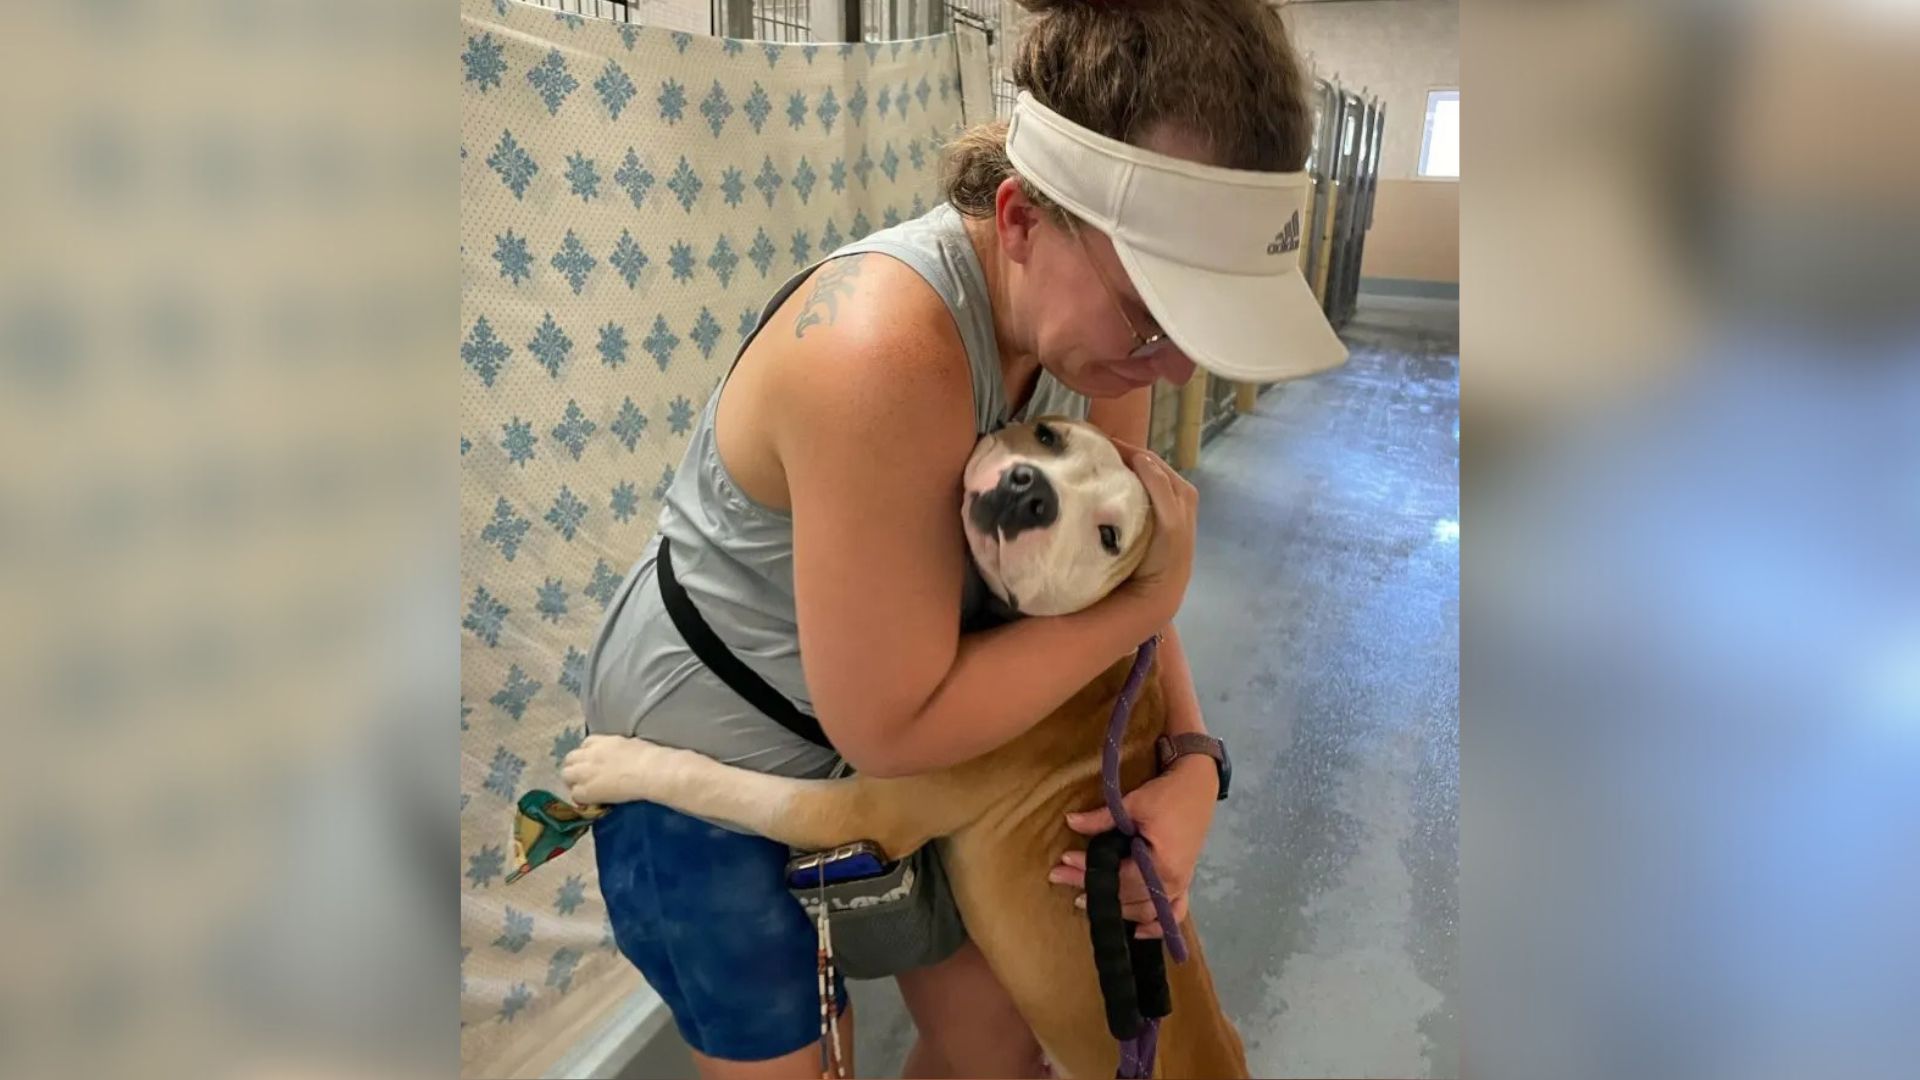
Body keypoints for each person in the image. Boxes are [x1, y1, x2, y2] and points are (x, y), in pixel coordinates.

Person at [579, 0, 1344, 1076]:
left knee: (994, 1045)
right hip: (723, 735)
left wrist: (1191, 764)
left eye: (1199, 328)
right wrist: (1144, 610)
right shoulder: (877, 355)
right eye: (1156, 314)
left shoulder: (1102, 347)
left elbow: (1130, 577)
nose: (1173, 371)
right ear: (1024, 221)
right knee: (803, 1058)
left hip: (923, 723)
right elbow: (902, 724)